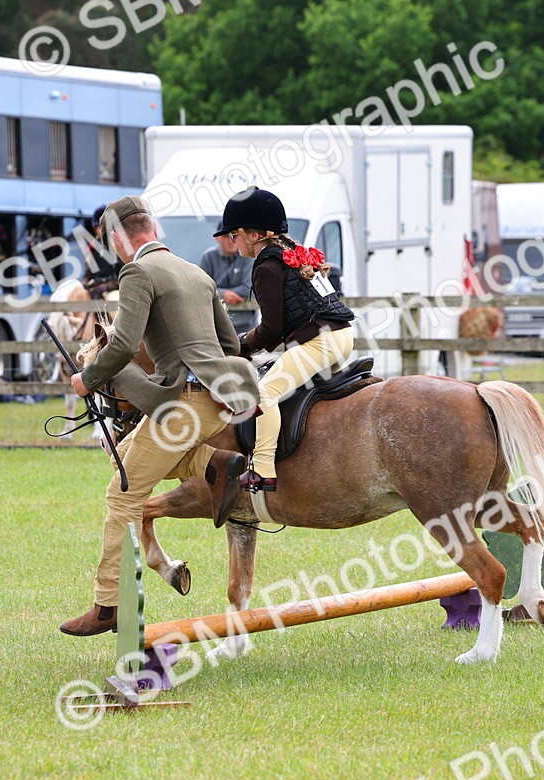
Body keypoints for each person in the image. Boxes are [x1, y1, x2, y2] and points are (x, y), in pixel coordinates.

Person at [62, 195, 259, 636]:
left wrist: (87, 379)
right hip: (218, 405)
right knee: (125, 453)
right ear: (151, 228)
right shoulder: (197, 272)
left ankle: (108, 604)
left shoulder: (137, 271)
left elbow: (122, 345)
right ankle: (211, 463)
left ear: (117, 237)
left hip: (182, 406)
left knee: (122, 496)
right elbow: (229, 346)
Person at [215, 186, 355, 493]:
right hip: (341, 335)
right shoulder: (290, 255)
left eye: (234, 235)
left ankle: (262, 470)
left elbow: (271, 330)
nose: (230, 242)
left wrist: (240, 344)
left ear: (254, 235)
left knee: (264, 392)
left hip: (321, 341)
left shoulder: (267, 266)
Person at [199, 233, 256, 334]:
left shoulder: (247, 255)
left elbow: (248, 287)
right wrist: (223, 294)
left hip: (247, 325)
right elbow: (201, 287)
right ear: (217, 238)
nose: (231, 240)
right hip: (215, 325)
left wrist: (216, 293)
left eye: (234, 236)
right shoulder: (208, 257)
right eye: (226, 236)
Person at [82, 203, 123, 299]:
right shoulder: (92, 247)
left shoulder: (120, 245)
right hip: (95, 288)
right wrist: (84, 283)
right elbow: (88, 274)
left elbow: (126, 276)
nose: (101, 230)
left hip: (114, 289)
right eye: (99, 227)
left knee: (114, 300)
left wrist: (106, 286)